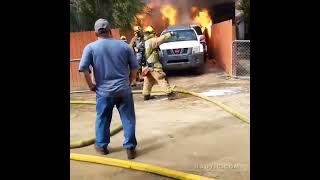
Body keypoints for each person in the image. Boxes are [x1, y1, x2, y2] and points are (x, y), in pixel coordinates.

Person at [79, 18, 139, 159]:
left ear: (95, 33)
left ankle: (101, 146)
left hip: (103, 92)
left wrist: (91, 86)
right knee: (128, 118)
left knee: (103, 118)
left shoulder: (90, 48)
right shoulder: (124, 46)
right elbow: (135, 67)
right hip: (123, 89)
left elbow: (84, 70)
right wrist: (130, 80)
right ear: (110, 31)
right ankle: (130, 148)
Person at [141, 26, 176, 100]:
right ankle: (169, 93)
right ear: (151, 33)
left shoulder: (144, 42)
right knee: (161, 78)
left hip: (145, 67)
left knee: (148, 80)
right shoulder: (152, 41)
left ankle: (146, 95)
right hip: (154, 66)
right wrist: (170, 34)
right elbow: (162, 39)